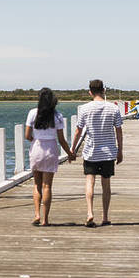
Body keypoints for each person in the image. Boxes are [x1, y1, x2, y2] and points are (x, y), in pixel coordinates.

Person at [71, 79, 124, 226]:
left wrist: (72, 149)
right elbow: (119, 131)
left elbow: (78, 131)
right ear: (104, 90)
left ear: (90, 92)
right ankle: (105, 217)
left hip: (91, 152)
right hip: (108, 153)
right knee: (106, 185)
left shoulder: (84, 109)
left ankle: (90, 212)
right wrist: (120, 151)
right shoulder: (113, 108)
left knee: (90, 182)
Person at [25, 88, 75, 226]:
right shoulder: (58, 116)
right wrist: (70, 154)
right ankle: (45, 219)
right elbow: (62, 140)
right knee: (47, 186)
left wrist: (35, 141)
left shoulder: (32, 113)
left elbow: (27, 135)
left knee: (37, 184)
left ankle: (36, 214)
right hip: (51, 150)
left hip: (36, 148)